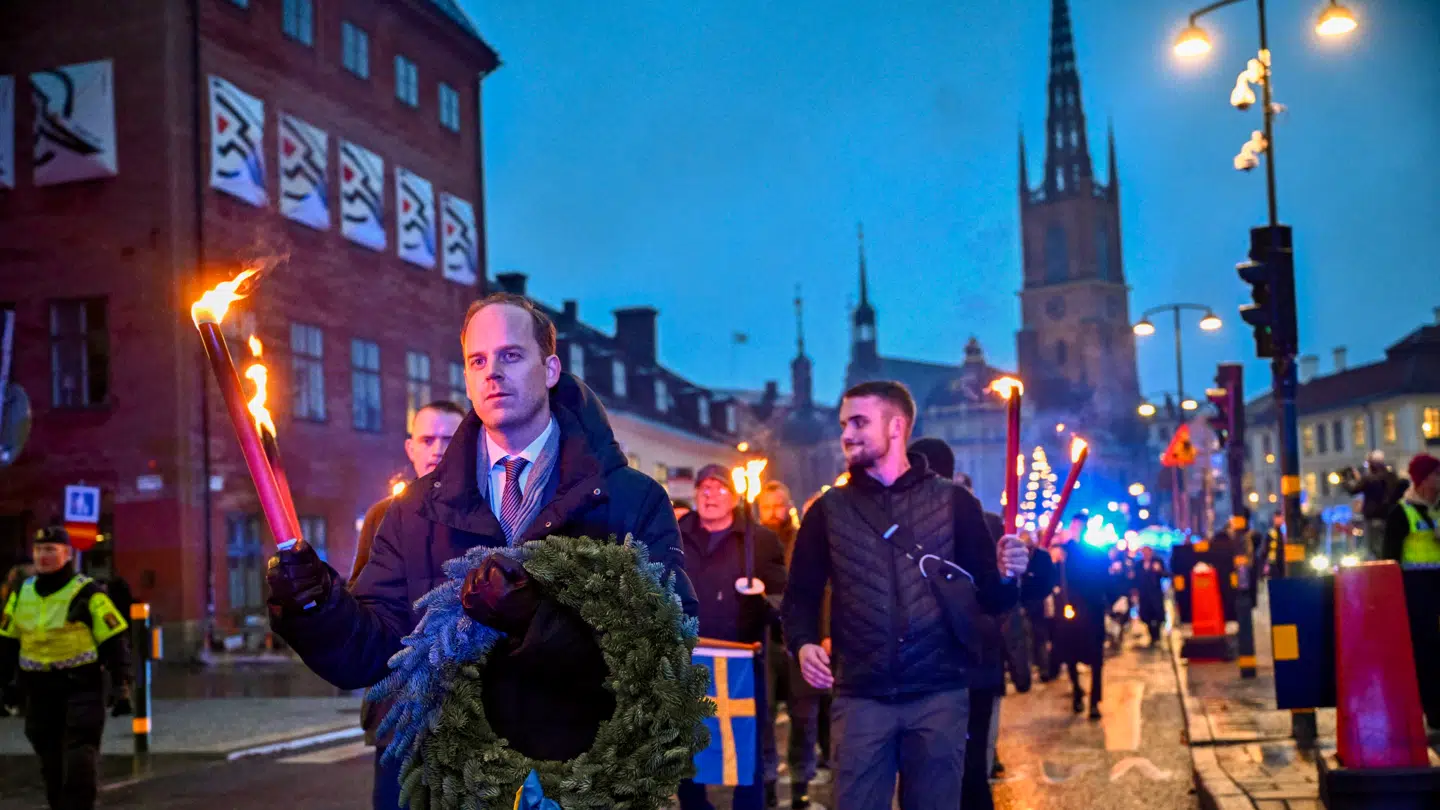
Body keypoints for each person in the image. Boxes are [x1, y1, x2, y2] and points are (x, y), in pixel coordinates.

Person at [266, 292, 699, 810]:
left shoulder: (629, 499)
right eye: (478, 360)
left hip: (585, 785)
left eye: (511, 355)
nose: (493, 372)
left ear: (551, 367)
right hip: (455, 789)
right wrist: (315, 607)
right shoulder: (415, 513)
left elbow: (665, 642)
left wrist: (538, 623)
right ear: (468, 378)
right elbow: (376, 652)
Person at [783, 381, 1029, 810]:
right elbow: (799, 596)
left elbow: (991, 599)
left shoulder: (955, 503)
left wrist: (1010, 576)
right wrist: (802, 643)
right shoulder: (827, 511)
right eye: (844, 424)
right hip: (861, 697)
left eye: (859, 422)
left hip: (939, 695)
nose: (847, 434)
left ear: (896, 426)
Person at [347, 399, 465, 758]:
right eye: (428, 439)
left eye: (450, 439)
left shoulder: (488, 509)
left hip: (465, 709)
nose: (438, 449)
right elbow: (365, 606)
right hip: (398, 709)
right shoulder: (383, 515)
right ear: (410, 447)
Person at [910, 437, 1014, 809]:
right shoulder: (903, 524)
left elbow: (998, 593)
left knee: (968, 771)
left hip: (969, 663)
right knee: (935, 774)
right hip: (927, 669)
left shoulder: (982, 522)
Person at [679, 465, 787, 810]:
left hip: (740, 663)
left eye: (719, 487)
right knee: (686, 750)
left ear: (735, 495)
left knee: (746, 747)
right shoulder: (677, 534)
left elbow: (784, 603)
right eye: (704, 487)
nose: (710, 494)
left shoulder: (760, 540)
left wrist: (764, 597)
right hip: (688, 659)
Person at [0, 527, 132, 810]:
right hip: (38, 691)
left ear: (67, 554)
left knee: (79, 763)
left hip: (80, 687)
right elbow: (7, 642)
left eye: (50, 550)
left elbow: (114, 641)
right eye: (39, 550)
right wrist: (4, 685)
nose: (43, 556)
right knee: (51, 765)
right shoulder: (21, 592)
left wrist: (122, 685)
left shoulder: (87, 592)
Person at [1050, 526, 1109, 720]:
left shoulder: (1095, 554)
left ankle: (1093, 701)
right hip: (1073, 614)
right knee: (1071, 656)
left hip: (1092, 613)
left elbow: (1104, 581)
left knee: (1095, 660)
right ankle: (1077, 692)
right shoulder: (1064, 557)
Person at [1343, 450, 1405, 559]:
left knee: (1375, 549)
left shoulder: (1369, 479)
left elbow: (1353, 490)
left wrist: (1346, 479)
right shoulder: (1392, 477)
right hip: (1390, 517)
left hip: (1373, 518)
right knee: (1389, 546)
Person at [1383, 454, 1439, 564]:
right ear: (1424, 479)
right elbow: (1390, 556)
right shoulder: (1401, 512)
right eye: (1437, 474)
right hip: (1414, 578)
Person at [1135, 545, 1167, 646]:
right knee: (1146, 615)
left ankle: (1157, 635)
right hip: (1144, 594)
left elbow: (1165, 574)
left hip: (1155, 593)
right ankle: (1152, 635)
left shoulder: (1157, 562)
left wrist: (1159, 570)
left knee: (1157, 614)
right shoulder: (1139, 564)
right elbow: (1135, 578)